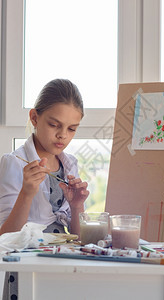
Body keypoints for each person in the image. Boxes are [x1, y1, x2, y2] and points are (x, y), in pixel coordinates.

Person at [0, 78, 90, 299]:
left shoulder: (70, 164)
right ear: (34, 117)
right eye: (54, 124)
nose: (63, 135)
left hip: (61, 270)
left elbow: (79, 238)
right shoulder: (14, 163)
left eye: (72, 129)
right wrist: (27, 193)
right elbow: (5, 238)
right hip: (27, 272)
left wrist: (77, 206)